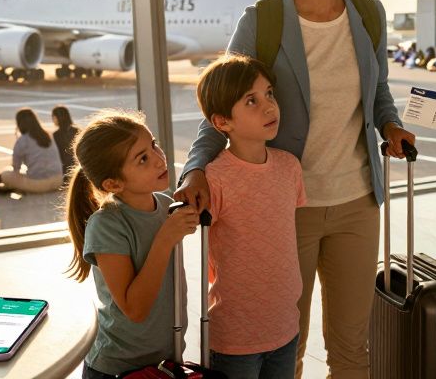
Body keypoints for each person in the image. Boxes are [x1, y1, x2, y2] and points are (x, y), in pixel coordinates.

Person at [174, 0, 417, 379]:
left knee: (353, 348)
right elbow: (220, 105)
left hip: (357, 201)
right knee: (289, 343)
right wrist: (196, 167)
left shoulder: (368, 12)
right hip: (287, 207)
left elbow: (379, 92)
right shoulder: (262, 21)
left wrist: (389, 124)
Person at [64, 110, 200, 378]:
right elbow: (135, 309)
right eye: (143, 159)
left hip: (165, 358)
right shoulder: (107, 225)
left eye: (154, 145)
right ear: (113, 183)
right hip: (117, 367)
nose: (159, 159)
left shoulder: (164, 205)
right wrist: (166, 238)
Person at [196, 54, 306, 378]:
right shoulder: (215, 178)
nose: (269, 107)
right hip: (234, 338)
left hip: (285, 326)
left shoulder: (290, 167)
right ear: (222, 122)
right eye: (251, 101)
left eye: (269, 93)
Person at [0, 108, 64, 194]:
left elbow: (16, 168)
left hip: (39, 184)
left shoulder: (22, 140)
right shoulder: (48, 135)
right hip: (58, 181)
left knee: (5, 174)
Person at [52, 105, 81, 178]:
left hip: (64, 170)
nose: (53, 120)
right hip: (78, 167)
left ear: (58, 118)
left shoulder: (56, 135)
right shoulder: (77, 130)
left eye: (53, 117)